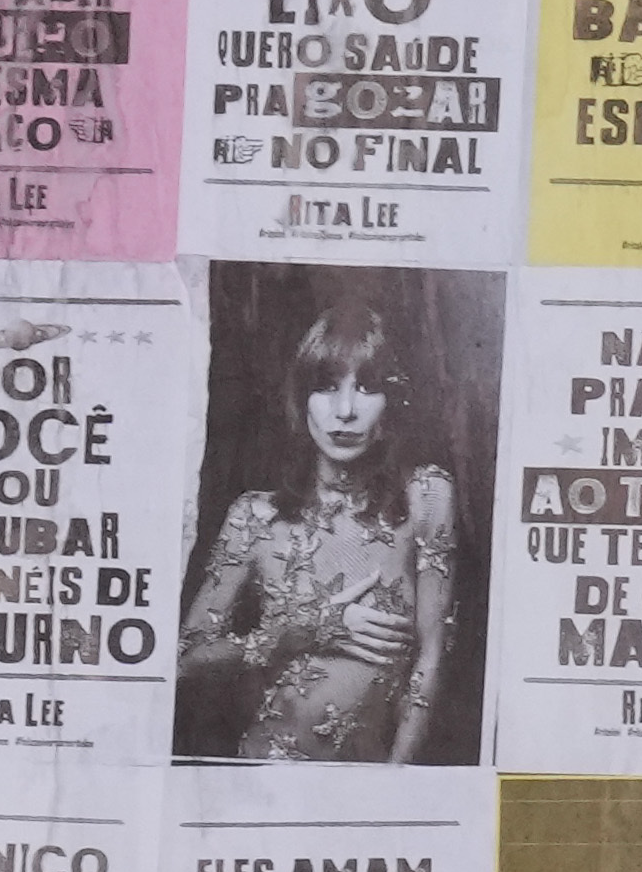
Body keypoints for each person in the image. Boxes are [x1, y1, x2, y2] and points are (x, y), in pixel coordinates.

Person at [182, 297, 460, 764]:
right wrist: (304, 629)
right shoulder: (254, 518)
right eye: (327, 387)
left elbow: (431, 661)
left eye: (367, 388)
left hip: (369, 786)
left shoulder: (427, 498)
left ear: (392, 402)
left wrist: (397, 784)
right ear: (300, 399)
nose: (346, 410)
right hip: (259, 776)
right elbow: (184, 661)